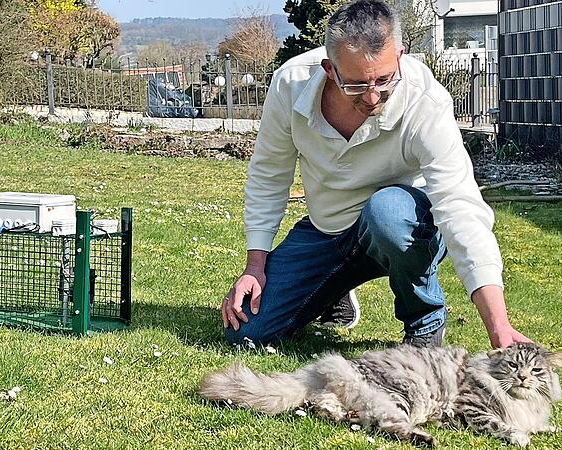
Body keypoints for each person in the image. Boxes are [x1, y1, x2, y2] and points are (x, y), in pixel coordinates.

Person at [221, 0, 531, 349]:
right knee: (246, 330)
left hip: (404, 226)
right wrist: (254, 266)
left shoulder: (425, 101)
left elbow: (459, 204)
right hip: (329, 229)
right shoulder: (289, 84)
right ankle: (334, 292)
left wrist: (498, 325)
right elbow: (269, 175)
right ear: (329, 69)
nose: (371, 97)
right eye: (354, 84)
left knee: (387, 212)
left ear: (401, 56)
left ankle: (424, 322)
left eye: (384, 80)